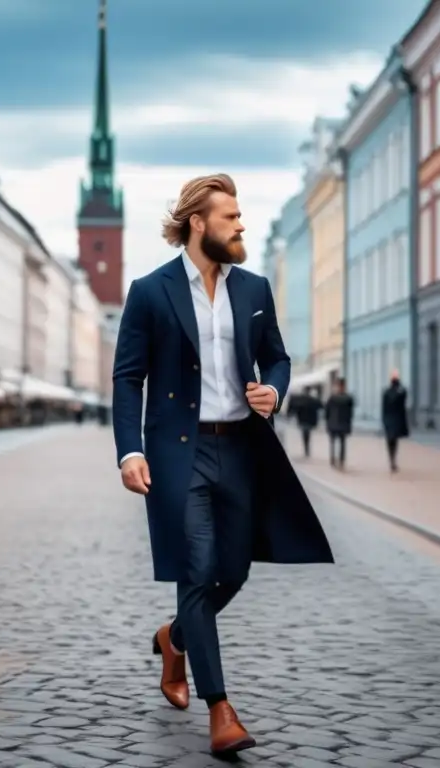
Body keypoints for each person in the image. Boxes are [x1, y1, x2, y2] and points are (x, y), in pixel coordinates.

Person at [112, 173, 334, 757]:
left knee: (231, 572)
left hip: (240, 449)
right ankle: (221, 709)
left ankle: (175, 638)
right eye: (230, 216)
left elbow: (278, 359)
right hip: (176, 453)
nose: (241, 225)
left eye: (239, 216)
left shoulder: (255, 288)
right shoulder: (150, 291)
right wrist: (129, 450)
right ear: (197, 224)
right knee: (196, 566)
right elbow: (128, 376)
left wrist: (275, 391)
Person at [381, 369, 410, 472]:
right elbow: (405, 394)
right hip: (397, 420)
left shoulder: (386, 392)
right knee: (395, 441)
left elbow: (383, 407)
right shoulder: (400, 392)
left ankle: (391, 459)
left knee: (389, 441)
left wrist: (383, 420)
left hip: (388, 419)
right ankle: (393, 460)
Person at [324, 377, 354, 470]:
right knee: (342, 443)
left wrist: (327, 421)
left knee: (333, 442)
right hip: (343, 424)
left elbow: (327, 411)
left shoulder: (332, 398)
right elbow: (350, 413)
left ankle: (333, 459)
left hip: (333, 424)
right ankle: (340, 460)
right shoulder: (348, 398)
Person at [293, 390, 322, 458]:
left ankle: (306, 449)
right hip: (309, 421)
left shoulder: (301, 401)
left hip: (303, 420)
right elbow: (320, 406)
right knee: (307, 434)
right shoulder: (313, 400)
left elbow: (296, 409)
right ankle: (307, 449)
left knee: (305, 434)